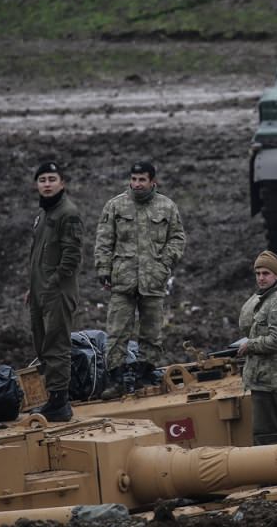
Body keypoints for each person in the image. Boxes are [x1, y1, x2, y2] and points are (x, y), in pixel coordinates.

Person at [95, 161, 186, 399]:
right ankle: (116, 380)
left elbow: (177, 238)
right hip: (122, 280)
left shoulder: (167, 206)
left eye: (142, 180)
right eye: (134, 179)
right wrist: (103, 269)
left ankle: (145, 376)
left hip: (153, 280)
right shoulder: (115, 205)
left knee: (152, 332)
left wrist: (164, 263)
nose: (137, 184)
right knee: (117, 332)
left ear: (152, 181)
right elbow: (104, 240)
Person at [27, 161, 84, 422]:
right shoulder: (44, 214)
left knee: (56, 345)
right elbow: (38, 256)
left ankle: (60, 403)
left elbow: (72, 256)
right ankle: (53, 397)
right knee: (42, 344)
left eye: (52, 179)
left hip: (57, 292)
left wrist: (52, 283)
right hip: (40, 291)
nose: (47, 184)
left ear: (62, 183)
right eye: (42, 180)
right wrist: (33, 287)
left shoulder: (67, 213)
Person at [238, 250, 277, 445]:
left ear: (276, 275)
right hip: (266, 378)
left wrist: (250, 345)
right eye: (258, 273)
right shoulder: (268, 298)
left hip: (271, 380)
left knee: (266, 438)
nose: (261, 278)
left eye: (266, 273)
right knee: (266, 435)